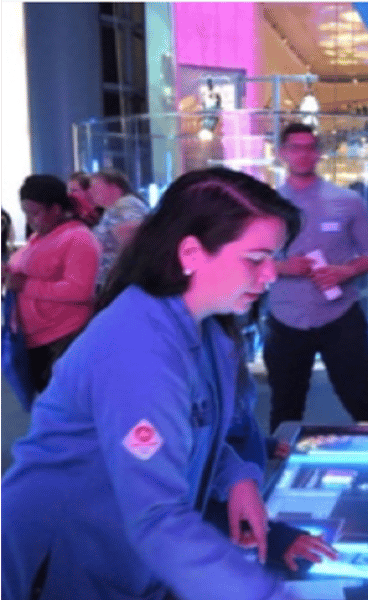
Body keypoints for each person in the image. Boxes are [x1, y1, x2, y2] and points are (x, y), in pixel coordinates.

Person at [1, 167, 338, 600]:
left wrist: (236, 475)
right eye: (256, 259)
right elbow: (158, 520)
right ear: (192, 254)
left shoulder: (210, 332)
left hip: (131, 568)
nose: (271, 274)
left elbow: (188, 431)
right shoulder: (137, 346)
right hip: (70, 570)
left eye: (273, 257)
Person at [263, 123, 368, 432]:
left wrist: (346, 271)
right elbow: (248, 261)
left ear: (318, 153)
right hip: (286, 319)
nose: (302, 155)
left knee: (363, 403)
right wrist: (281, 267)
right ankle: (280, 473)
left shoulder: (347, 201)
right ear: (282, 154)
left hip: (340, 317)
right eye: (295, 148)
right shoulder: (265, 205)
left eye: (309, 148)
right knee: (285, 409)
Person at [2, 175, 101, 393]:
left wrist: (25, 285)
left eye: (35, 213)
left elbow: (80, 290)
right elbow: (27, 271)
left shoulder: (79, 238)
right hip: (34, 338)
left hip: (62, 338)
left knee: (62, 406)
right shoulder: (39, 237)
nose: (30, 220)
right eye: (26, 213)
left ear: (55, 209)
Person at [89, 168, 150, 288]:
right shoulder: (116, 207)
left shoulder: (126, 204)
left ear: (114, 187)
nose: (91, 191)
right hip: (113, 281)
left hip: (120, 283)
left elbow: (134, 233)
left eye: (95, 187)